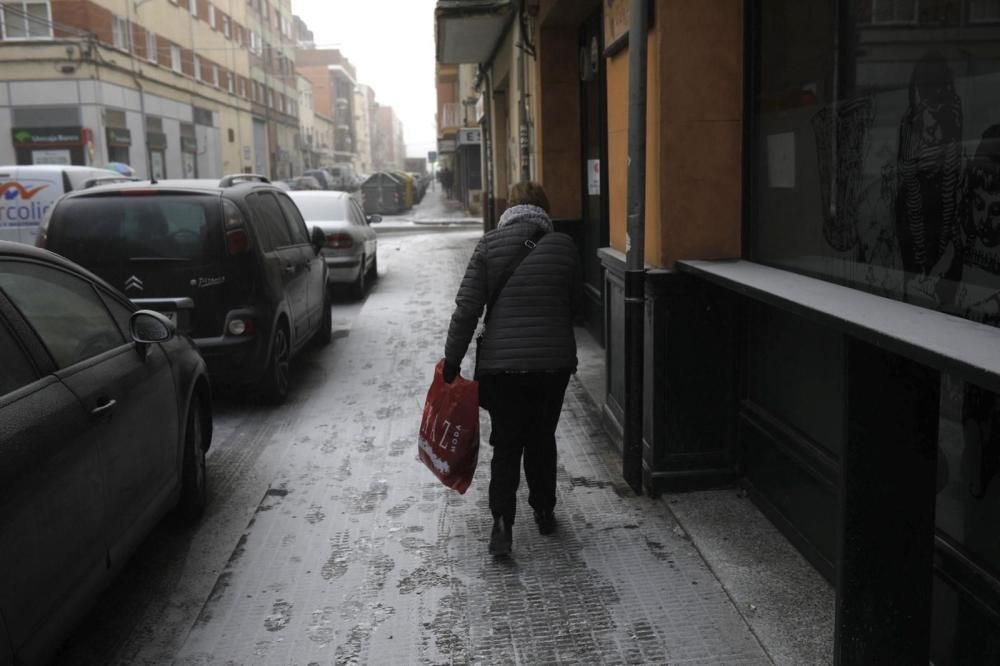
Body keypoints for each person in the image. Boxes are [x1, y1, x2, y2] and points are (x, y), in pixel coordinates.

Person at [441, 181, 582, 557]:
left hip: (501, 368)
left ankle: (502, 524)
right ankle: (545, 509)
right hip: (553, 365)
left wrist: (452, 363)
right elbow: (576, 306)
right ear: (544, 208)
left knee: (506, 445)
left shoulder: (489, 244)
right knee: (542, 436)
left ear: (509, 207)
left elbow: (467, 309)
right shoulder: (565, 247)